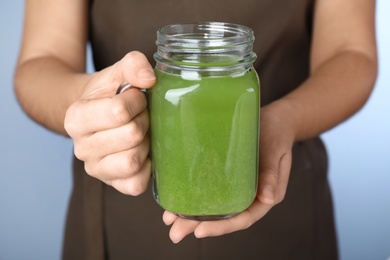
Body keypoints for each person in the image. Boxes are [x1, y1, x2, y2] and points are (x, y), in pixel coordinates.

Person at [14, 0, 377, 259]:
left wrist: (285, 118)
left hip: (281, 194)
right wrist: (94, 105)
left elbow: (351, 52)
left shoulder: (248, 86)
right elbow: (41, 60)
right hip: (119, 206)